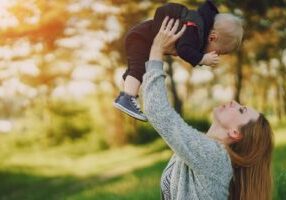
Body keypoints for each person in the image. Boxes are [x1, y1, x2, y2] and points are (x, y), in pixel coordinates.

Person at [142, 17, 273, 200]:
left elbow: (159, 113)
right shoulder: (206, 149)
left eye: (241, 110)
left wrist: (156, 50)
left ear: (235, 132)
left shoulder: (215, 158)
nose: (234, 102)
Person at [113, 0, 243, 122]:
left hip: (140, 36)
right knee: (139, 69)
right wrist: (202, 59)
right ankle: (127, 98)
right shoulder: (194, 30)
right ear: (213, 38)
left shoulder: (196, 28)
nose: (216, 55)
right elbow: (184, 50)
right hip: (141, 38)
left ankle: (124, 95)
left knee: (136, 69)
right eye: (219, 52)